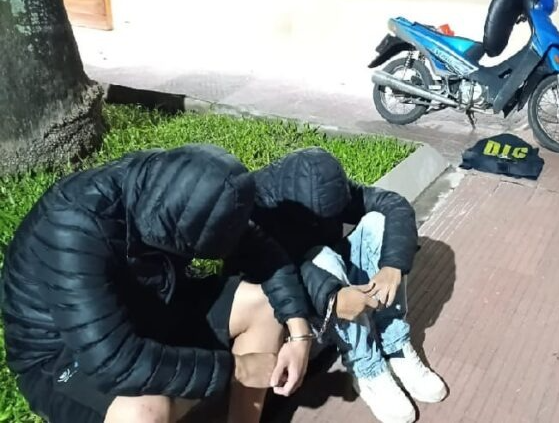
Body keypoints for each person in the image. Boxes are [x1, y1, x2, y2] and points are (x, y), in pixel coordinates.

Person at [0, 144, 313, 423]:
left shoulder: (183, 189)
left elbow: (261, 251)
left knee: (262, 304)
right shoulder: (72, 230)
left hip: (151, 307)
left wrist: (300, 334)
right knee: (145, 411)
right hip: (66, 355)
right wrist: (238, 369)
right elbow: (115, 362)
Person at [249, 147, 447, 423]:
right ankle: (366, 368)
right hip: (301, 309)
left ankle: (394, 344)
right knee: (320, 256)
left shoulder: (324, 184)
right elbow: (276, 274)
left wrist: (393, 265)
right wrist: (332, 297)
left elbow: (394, 203)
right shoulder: (257, 207)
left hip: (336, 283)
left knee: (379, 221)